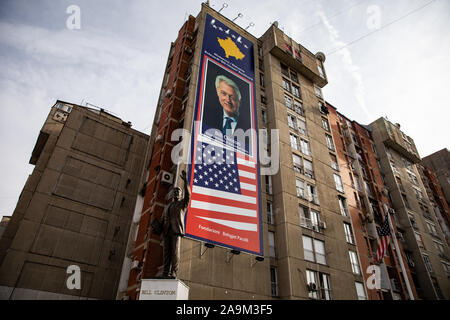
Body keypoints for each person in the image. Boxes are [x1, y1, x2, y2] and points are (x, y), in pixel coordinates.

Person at [160, 170, 190, 278]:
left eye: (179, 191)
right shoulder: (168, 206)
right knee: (166, 253)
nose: (177, 193)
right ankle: (165, 272)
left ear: (181, 194)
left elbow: (189, 195)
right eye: (175, 191)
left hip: (176, 230)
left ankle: (174, 272)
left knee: (175, 252)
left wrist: (186, 180)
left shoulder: (182, 204)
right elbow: (163, 219)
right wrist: (158, 226)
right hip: (166, 231)